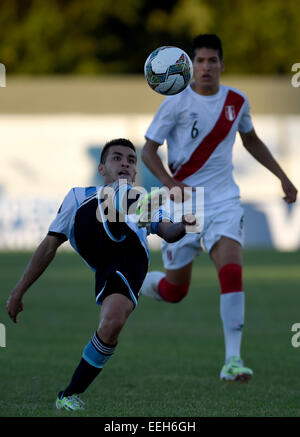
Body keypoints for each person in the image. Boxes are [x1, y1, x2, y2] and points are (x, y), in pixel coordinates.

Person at [140, 34, 298, 382]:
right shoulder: (175, 102)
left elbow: (252, 140)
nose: (206, 67)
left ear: (222, 65)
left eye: (213, 61)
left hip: (225, 201)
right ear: (190, 66)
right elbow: (148, 151)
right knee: (175, 291)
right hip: (185, 204)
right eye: (200, 61)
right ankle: (138, 282)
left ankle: (233, 361)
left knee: (231, 271)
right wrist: (169, 185)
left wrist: (283, 177)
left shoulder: (237, 102)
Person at [6, 138, 194, 411]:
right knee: (109, 325)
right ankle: (68, 396)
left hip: (129, 262)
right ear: (102, 168)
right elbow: (49, 246)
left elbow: (170, 232)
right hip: (103, 257)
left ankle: (68, 395)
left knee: (112, 323)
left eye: (131, 160)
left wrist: (187, 223)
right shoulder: (77, 196)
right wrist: (18, 291)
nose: (125, 163)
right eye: (117, 158)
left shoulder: (142, 199)